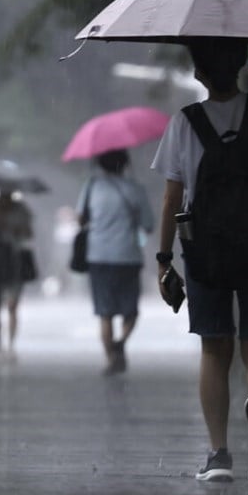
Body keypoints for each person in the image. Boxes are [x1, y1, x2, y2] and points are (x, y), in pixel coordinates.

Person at [151, 38, 248, 482]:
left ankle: (219, 455)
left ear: (199, 73)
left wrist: (165, 261)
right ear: (240, 67)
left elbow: (171, 199)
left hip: (206, 251)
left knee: (214, 347)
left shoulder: (185, 122)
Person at [76, 149, 154, 375]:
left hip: (98, 257)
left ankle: (111, 358)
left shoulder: (91, 187)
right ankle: (120, 342)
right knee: (131, 310)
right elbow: (148, 225)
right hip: (128, 256)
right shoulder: (136, 189)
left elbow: (80, 219)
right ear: (125, 163)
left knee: (105, 312)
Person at [0, 189, 33, 355]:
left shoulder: (21, 209)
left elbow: (29, 234)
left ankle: (11, 343)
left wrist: (17, 228)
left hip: (15, 259)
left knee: (13, 305)